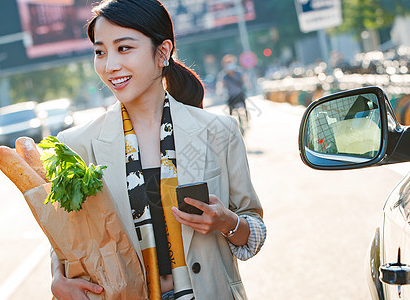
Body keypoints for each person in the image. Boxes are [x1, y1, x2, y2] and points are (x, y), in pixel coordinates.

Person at [50, 1, 266, 299]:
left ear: (162, 52)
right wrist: (57, 280)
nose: (110, 65)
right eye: (100, 52)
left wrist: (227, 222)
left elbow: (254, 232)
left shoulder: (219, 131)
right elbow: (68, 240)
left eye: (124, 48)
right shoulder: (77, 145)